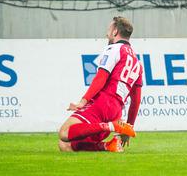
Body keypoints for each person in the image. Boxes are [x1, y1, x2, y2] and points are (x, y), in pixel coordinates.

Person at [58, 16, 143, 152]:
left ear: (115, 32)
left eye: (109, 29)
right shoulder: (137, 63)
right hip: (115, 111)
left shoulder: (114, 49)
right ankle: (108, 145)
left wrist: (83, 101)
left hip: (102, 103)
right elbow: (136, 100)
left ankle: (111, 126)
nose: (106, 33)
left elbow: (101, 77)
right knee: (65, 146)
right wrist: (129, 128)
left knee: (64, 132)